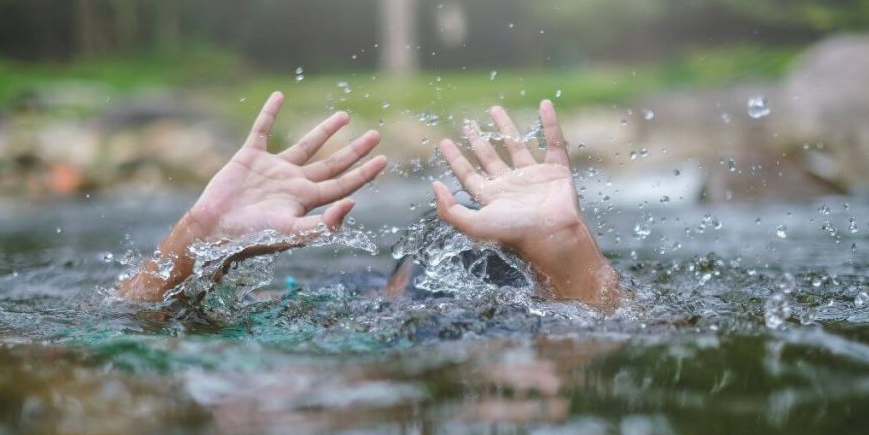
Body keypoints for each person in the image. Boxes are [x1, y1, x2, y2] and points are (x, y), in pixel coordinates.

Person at [120, 92, 621, 311]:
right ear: (397, 285)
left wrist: (190, 245)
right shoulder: (341, 301)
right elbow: (620, 328)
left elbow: (129, 321)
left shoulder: (332, 314)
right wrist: (200, 232)